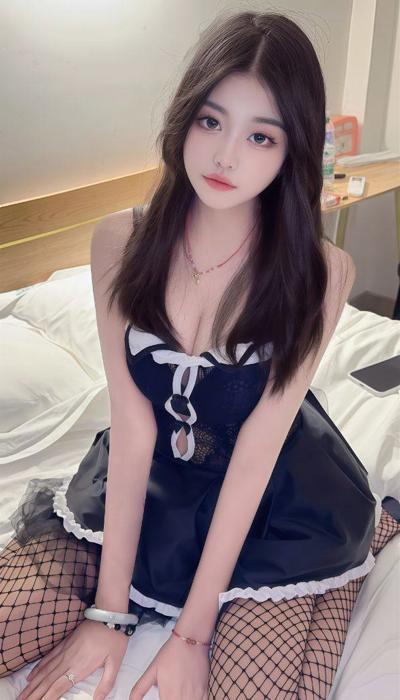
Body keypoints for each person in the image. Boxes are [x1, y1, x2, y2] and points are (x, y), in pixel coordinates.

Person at [1, 9, 399, 700]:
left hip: (272, 493)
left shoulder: (322, 271)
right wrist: (109, 611)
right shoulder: (119, 242)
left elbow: (255, 456)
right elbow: (133, 425)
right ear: (183, 118)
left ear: (292, 150)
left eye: (261, 135)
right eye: (211, 121)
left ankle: (363, 543)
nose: (225, 157)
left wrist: (191, 633)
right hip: (147, 472)